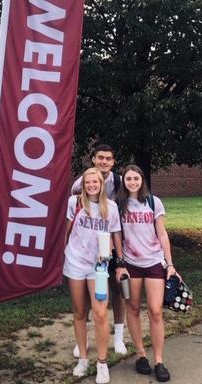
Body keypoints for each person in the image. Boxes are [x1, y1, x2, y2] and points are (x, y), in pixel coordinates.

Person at [118, 164, 177, 383]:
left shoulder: (153, 201)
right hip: (131, 263)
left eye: (136, 178)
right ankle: (141, 354)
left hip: (153, 262)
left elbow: (162, 233)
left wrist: (170, 264)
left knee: (155, 311)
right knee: (132, 307)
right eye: (128, 179)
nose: (132, 182)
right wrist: (119, 263)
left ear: (142, 180)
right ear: (123, 181)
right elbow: (116, 235)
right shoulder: (119, 204)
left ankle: (159, 360)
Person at [64, 168, 124, 384]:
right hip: (75, 263)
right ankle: (83, 358)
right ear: (83, 184)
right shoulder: (74, 204)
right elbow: (66, 231)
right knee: (80, 312)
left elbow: (114, 235)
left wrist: (115, 259)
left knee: (100, 314)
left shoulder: (112, 207)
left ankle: (102, 362)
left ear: (101, 184)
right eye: (87, 182)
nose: (91, 185)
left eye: (94, 182)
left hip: (98, 267)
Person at [70, 144, 127, 356]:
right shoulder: (81, 183)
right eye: (100, 158)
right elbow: (74, 210)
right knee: (85, 294)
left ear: (113, 162)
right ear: (93, 159)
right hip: (86, 247)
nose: (104, 161)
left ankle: (119, 337)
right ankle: (81, 340)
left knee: (116, 288)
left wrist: (119, 254)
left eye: (108, 159)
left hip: (109, 242)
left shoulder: (119, 182)